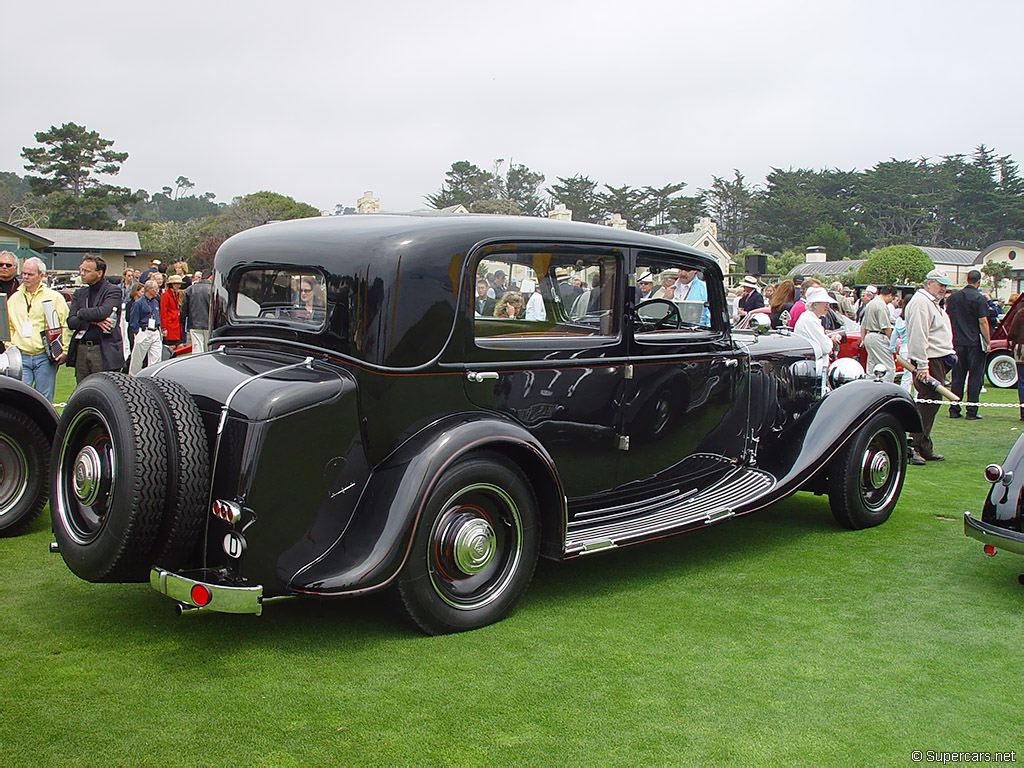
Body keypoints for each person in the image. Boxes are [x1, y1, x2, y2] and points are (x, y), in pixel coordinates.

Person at [904, 269, 955, 463]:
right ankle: (913, 446)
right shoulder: (921, 302)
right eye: (940, 285)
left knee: (931, 401)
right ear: (929, 283)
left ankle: (922, 445)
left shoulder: (931, 302)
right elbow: (919, 335)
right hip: (929, 360)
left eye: (945, 285)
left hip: (936, 359)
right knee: (928, 400)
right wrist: (922, 364)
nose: (943, 288)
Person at [7, 256, 70, 401]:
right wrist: (10, 346)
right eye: (23, 273)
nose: (25, 277)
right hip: (20, 355)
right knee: (19, 397)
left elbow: (65, 325)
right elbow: (8, 325)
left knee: (43, 399)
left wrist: (64, 350)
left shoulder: (54, 297)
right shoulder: (14, 299)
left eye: (30, 274)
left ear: (41, 276)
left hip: (44, 356)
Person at [66, 255, 125, 383]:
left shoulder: (112, 291)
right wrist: (93, 321)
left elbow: (103, 312)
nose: (82, 274)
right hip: (82, 347)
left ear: (99, 273)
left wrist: (81, 312)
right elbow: (71, 322)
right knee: (82, 389)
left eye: (86, 271)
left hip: (103, 349)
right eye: (81, 270)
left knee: (105, 388)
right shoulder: (79, 293)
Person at [945, 269, 990, 420]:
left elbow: (948, 316)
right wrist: (988, 341)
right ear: (978, 282)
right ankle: (971, 410)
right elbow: (982, 321)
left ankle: (954, 408)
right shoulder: (979, 298)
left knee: (957, 377)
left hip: (957, 341)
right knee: (975, 377)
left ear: (966, 279)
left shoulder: (954, 297)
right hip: (974, 342)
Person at [793, 287, 839, 373]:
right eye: (824, 303)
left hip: (813, 366)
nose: (827, 306)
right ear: (814, 305)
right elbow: (826, 348)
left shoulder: (809, 318)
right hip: (814, 368)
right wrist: (831, 341)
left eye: (827, 303)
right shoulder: (810, 320)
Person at [860, 285, 896, 382]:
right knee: (888, 368)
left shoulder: (870, 304)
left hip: (869, 336)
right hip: (879, 336)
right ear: (889, 295)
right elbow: (886, 327)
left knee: (871, 369)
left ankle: (869, 389)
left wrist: (863, 339)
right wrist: (893, 342)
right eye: (892, 298)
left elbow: (863, 325)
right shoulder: (881, 306)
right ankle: (887, 390)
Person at [128, 279, 162, 375]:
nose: (157, 291)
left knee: (156, 357)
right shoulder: (139, 303)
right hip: (144, 330)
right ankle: (133, 377)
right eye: (156, 289)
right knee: (138, 359)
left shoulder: (155, 302)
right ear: (150, 290)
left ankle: (152, 376)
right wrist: (137, 332)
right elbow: (133, 318)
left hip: (155, 331)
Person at [178, 269, 212, 352]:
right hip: (209, 323)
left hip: (194, 322)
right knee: (208, 348)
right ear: (210, 277)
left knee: (197, 347)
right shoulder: (213, 289)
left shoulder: (191, 289)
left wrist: (182, 319)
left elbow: (184, 307)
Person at [161, 274, 185, 349]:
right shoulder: (166, 295)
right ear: (172, 284)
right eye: (176, 284)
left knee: (179, 346)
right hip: (169, 324)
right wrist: (164, 327)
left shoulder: (176, 295)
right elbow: (163, 312)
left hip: (176, 324)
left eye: (179, 284)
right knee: (170, 346)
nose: (178, 286)